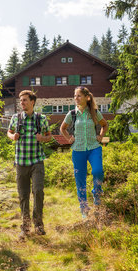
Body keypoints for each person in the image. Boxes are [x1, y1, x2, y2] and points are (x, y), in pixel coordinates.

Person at [7, 90, 52, 239]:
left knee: (38, 191)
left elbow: (49, 136)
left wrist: (42, 138)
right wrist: (12, 136)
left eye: (25, 100)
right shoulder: (15, 118)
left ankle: (38, 224)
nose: (22, 103)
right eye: (21, 101)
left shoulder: (41, 119)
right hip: (21, 162)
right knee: (23, 195)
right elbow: (9, 132)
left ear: (32, 101)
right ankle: (25, 227)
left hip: (37, 161)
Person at [60, 86, 108, 218]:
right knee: (80, 180)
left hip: (94, 148)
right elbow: (62, 128)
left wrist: (101, 136)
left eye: (79, 96)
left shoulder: (94, 112)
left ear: (87, 98)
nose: (76, 98)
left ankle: (97, 193)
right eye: (75, 96)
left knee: (98, 171)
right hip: (78, 150)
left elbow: (105, 124)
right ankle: (84, 209)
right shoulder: (72, 114)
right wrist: (68, 138)